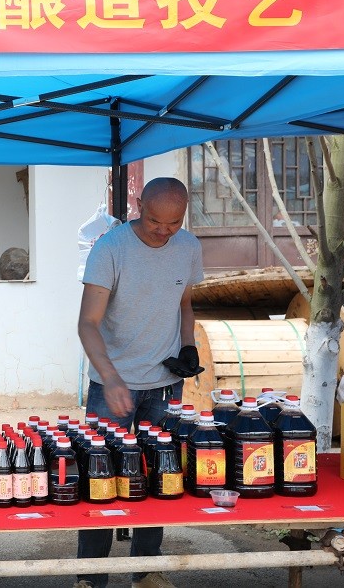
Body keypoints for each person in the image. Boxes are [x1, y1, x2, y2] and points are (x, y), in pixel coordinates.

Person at [74, 178, 204, 588]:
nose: (164, 231)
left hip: (165, 384)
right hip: (111, 386)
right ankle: (89, 578)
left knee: (159, 477)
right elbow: (87, 323)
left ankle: (146, 572)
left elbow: (185, 305)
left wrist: (188, 346)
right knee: (101, 479)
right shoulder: (110, 249)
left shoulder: (188, 247)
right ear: (138, 204)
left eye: (174, 223)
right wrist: (112, 378)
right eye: (154, 221)